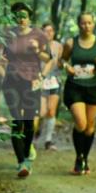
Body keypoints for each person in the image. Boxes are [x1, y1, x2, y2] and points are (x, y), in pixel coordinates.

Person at [0, 2, 52, 178]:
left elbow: (48, 58)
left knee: (29, 124)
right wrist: (1, 62)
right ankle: (21, 162)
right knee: (17, 121)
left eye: (24, 16)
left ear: (29, 18)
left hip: (31, 82)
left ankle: (27, 154)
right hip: (11, 82)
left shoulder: (39, 35)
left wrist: (37, 53)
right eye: (17, 16)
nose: (21, 20)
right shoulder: (8, 34)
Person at [61, 12, 96, 175]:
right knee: (81, 123)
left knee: (89, 127)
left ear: (94, 24)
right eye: (83, 23)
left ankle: (84, 159)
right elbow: (62, 60)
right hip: (75, 87)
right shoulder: (71, 43)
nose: (86, 26)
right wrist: (67, 67)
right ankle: (79, 157)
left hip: (93, 87)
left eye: (89, 23)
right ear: (78, 25)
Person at [36, 22, 64, 150]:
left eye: (51, 31)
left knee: (51, 111)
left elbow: (61, 62)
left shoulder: (58, 46)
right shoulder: (37, 45)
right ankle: (37, 129)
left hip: (54, 81)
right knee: (41, 112)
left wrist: (62, 64)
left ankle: (48, 140)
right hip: (40, 80)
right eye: (46, 31)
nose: (48, 33)